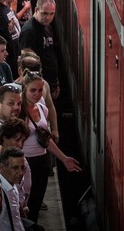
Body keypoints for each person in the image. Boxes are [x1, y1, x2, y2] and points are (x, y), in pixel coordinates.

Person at [20, 71, 81, 222]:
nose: (37, 94)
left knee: (36, 202)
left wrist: (64, 158)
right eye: (33, 90)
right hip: (23, 163)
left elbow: (46, 139)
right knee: (23, 204)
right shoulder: (18, 111)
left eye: (40, 90)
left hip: (41, 161)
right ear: (24, 90)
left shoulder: (42, 108)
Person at [19, 0, 60, 94]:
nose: (48, 17)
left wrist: (55, 82)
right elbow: (28, 63)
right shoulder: (29, 31)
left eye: (51, 14)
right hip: (39, 84)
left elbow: (50, 54)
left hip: (50, 82)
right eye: (44, 13)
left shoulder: (48, 27)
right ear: (36, 10)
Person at [0, 148, 26, 231]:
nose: (21, 173)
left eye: (22, 167)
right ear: (2, 167)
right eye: (15, 168)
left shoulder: (12, 183)